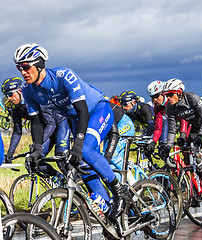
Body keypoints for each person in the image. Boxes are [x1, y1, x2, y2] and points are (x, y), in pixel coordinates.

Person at [14, 43, 129, 221]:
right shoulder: (28, 90)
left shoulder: (64, 76)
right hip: (75, 119)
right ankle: (107, 211)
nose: (23, 72)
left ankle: (120, 191)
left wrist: (78, 146)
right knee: (82, 166)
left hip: (96, 110)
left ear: (39, 64)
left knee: (85, 151)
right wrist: (37, 149)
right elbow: (36, 122)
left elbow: (82, 111)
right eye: (19, 68)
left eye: (26, 67)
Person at [1, 76, 70, 182]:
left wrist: (37, 145)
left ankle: (79, 185)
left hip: (60, 124)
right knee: (33, 161)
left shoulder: (35, 99)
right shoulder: (16, 108)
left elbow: (51, 124)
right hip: (46, 128)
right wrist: (10, 153)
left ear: (20, 91)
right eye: (6, 95)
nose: (9, 98)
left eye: (10, 94)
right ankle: (60, 181)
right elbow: (17, 132)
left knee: (60, 160)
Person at [158, 78, 202, 159]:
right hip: (196, 125)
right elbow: (172, 130)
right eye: (166, 95)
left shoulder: (192, 98)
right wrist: (168, 146)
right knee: (189, 152)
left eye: (171, 95)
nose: (168, 98)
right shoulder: (169, 107)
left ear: (179, 93)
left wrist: (201, 135)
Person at [145, 80, 171, 154]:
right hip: (169, 124)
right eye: (152, 97)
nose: (155, 100)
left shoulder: (171, 102)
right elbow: (158, 127)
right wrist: (154, 141)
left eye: (156, 96)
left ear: (163, 94)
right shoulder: (157, 107)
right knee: (161, 151)